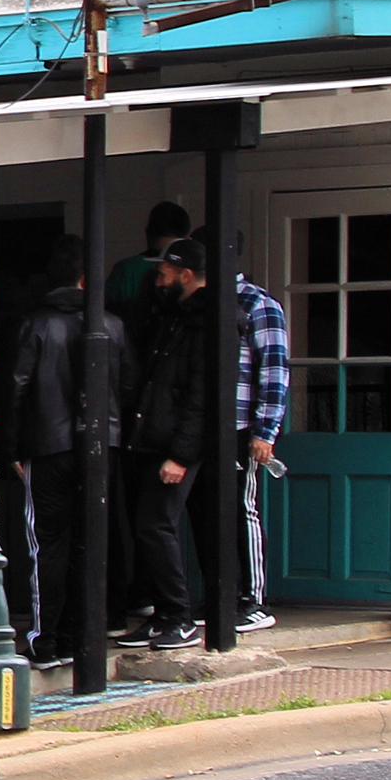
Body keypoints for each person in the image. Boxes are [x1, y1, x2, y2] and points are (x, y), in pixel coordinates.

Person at [7, 239, 137, 667]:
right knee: (93, 540)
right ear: (86, 277)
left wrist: (12, 447)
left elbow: (18, 388)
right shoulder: (112, 325)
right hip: (104, 444)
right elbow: (128, 387)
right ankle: (82, 636)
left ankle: (46, 641)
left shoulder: (37, 325)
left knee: (48, 545)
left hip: (48, 445)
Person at [121, 239, 218, 651]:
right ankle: (165, 615)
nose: (157, 279)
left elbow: (203, 394)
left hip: (175, 444)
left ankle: (177, 616)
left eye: (164, 273)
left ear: (187, 274)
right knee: (150, 525)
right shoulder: (176, 316)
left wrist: (181, 454)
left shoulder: (207, 322)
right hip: (157, 437)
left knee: (156, 524)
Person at [226, 263, 292, 634]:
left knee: (242, 507)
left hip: (241, 425)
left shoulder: (258, 304)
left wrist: (265, 430)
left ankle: (253, 599)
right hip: (209, 426)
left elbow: (274, 369)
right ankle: (225, 594)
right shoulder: (205, 302)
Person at [108, 201, 192, 341]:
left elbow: (108, 317)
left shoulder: (126, 270)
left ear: (147, 232)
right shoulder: (192, 271)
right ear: (187, 236)